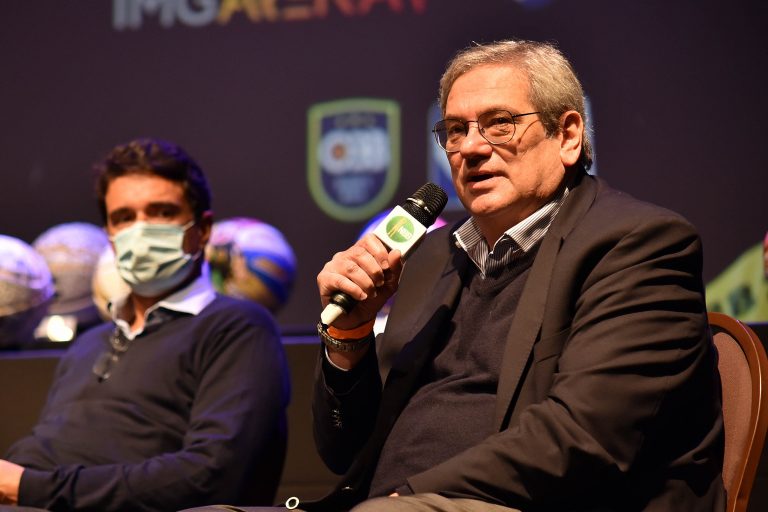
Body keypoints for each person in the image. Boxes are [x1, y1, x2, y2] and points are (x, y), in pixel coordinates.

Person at [308, 39, 724, 511]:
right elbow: (345, 452)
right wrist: (350, 335)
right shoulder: (429, 260)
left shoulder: (638, 245)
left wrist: (407, 494)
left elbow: (583, 439)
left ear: (568, 135)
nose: (470, 148)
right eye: (455, 130)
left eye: (499, 123)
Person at [0, 138, 290, 511]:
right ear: (109, 235)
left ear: (202, 229)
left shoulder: (237, 327)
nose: (140, 231)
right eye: (123, 217)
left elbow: (212, 475)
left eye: (161, 212)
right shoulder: (89, 343)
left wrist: (28, 487)